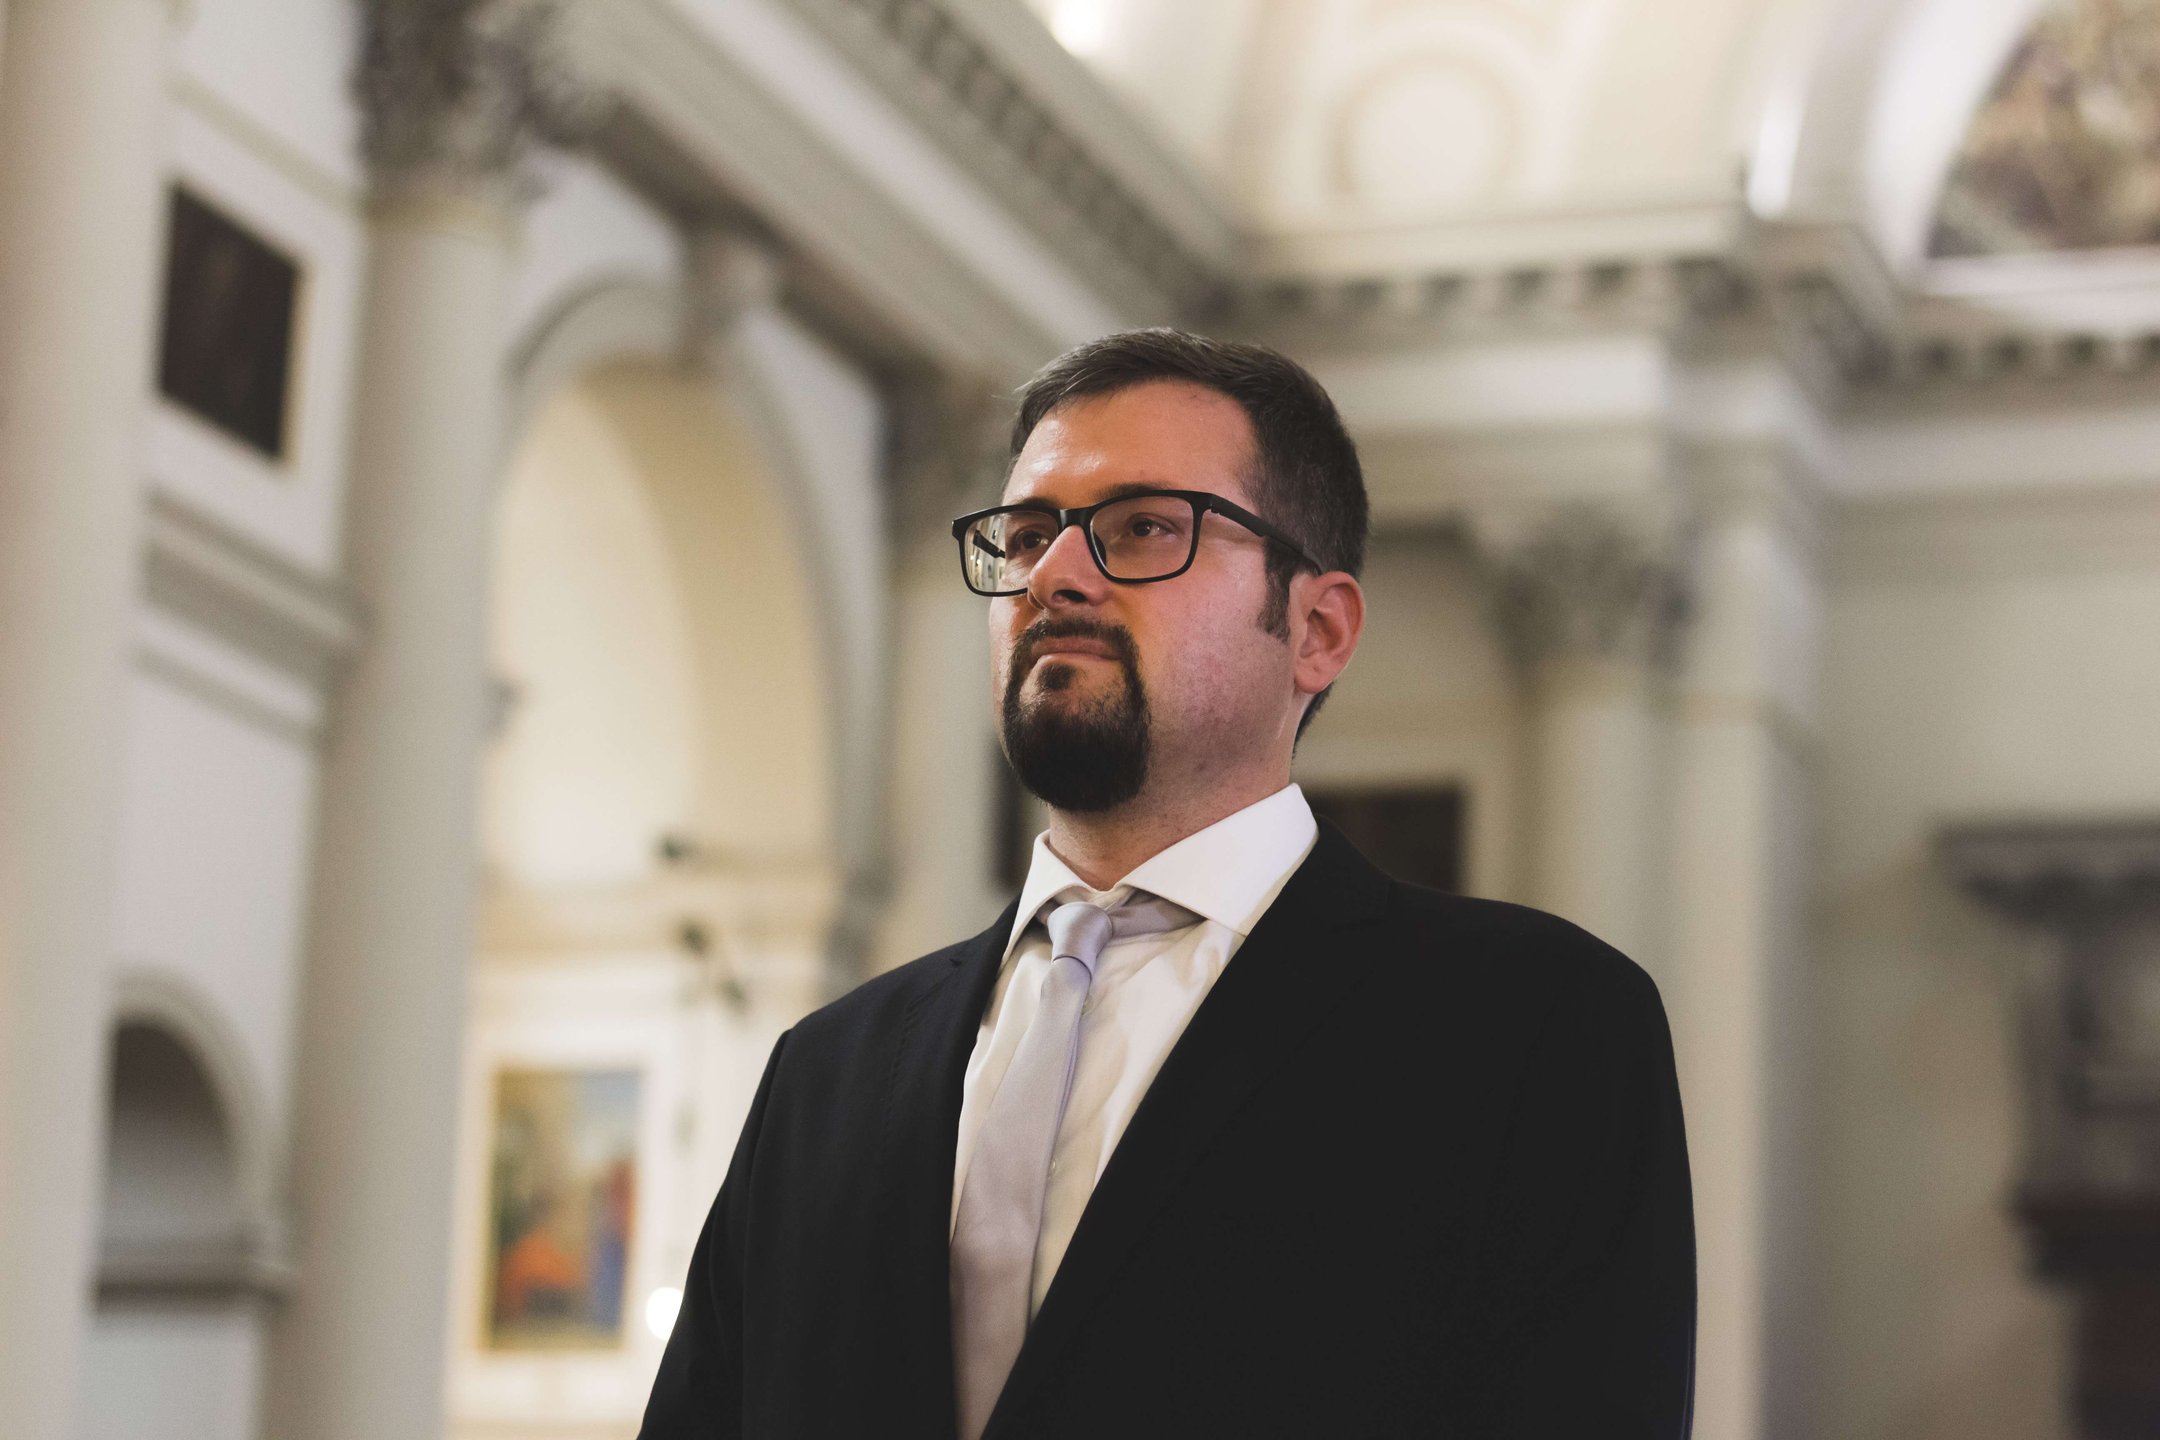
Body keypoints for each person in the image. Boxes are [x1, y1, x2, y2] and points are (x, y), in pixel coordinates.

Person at [639, 329, 1695, 1439]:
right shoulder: (827, 1071)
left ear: (1317, 630)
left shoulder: (1533, 1027)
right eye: (1028, 534)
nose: (1054, 576)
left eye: (1144, 526)